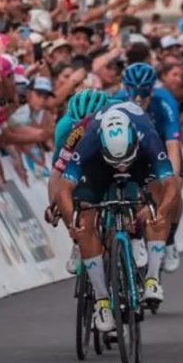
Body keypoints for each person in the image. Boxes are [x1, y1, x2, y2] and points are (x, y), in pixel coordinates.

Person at [51, 105, 180, 330]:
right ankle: (102, 302)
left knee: (158, 202)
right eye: (117, 161)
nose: (121, 167)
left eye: (124, 160)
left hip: (138, 164)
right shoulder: (88, 138)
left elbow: (171, 185)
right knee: (85, 220)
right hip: (98, 167)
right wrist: (73, 221)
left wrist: (160, 212)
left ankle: (152, 279)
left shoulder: (147, 134)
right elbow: (63, 187)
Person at [115, 62, 183, 273]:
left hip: (161, 147)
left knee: (175, 187)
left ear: (151, 90)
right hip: (132, 149)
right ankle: (133, 235)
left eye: (143, 93)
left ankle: (169, 239)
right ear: (125, 88)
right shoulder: (116, 101)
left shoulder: (164, 101)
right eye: (133, 92)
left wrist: (170, 181)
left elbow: (173, 146)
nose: (137, 98)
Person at [48, 89, 114, 274]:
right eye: (80, 124)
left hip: (112, 152)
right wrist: (55, 206)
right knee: (73, 201)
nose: (85, 129)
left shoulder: (119, 116)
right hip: (80, 160)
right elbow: (56, 174)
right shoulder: (65, 127)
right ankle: (78, 242)